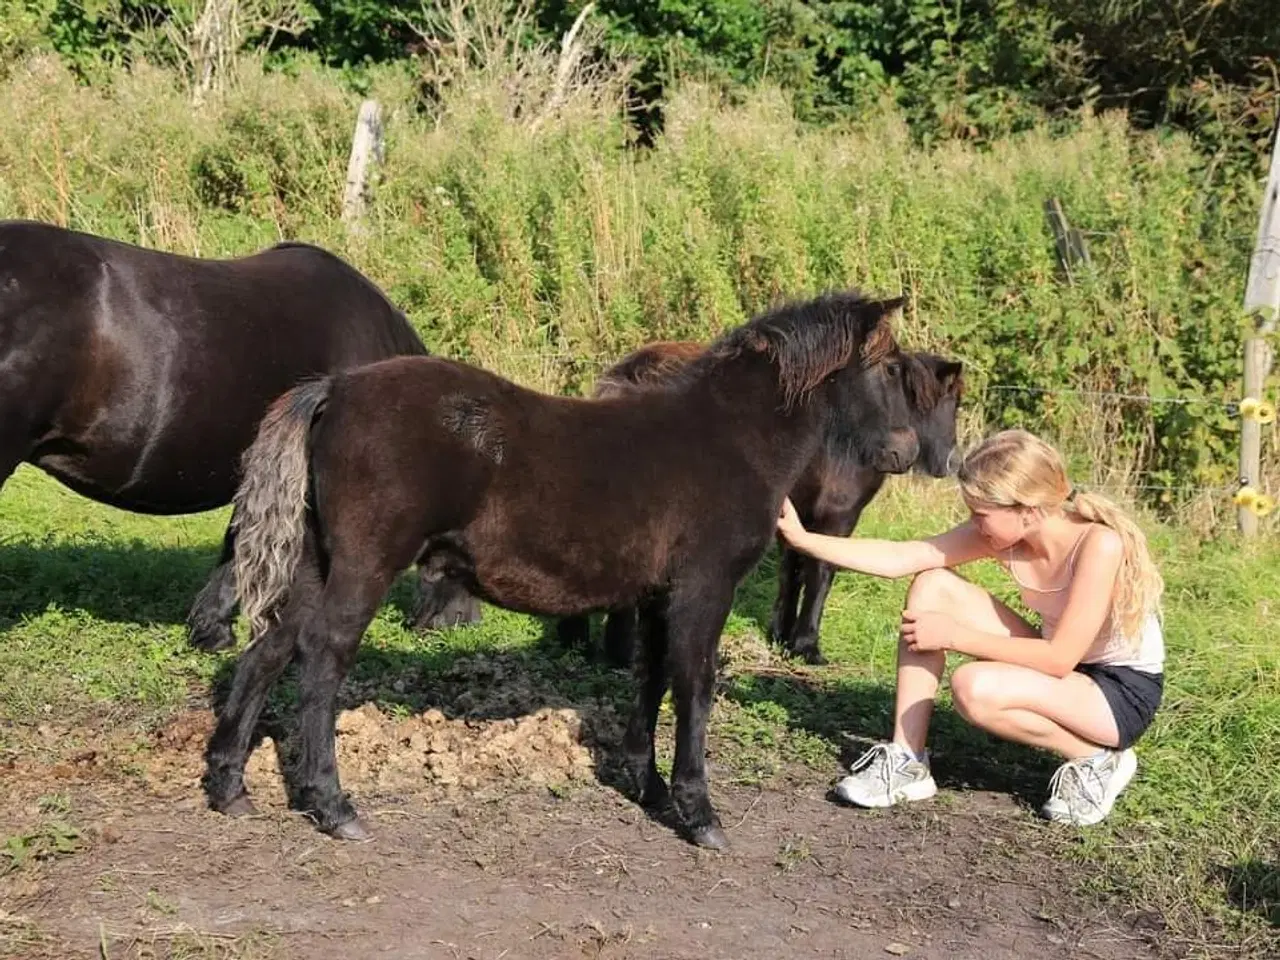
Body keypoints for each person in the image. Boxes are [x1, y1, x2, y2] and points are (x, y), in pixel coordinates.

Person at [774, 428, 1165, 826]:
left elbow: (1060, 658)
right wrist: (803, 539)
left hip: (1117, 691)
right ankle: (907, 760)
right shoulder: (1007, 535)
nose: (974, 524)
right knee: (932, 584)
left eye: (981, 514)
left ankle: (1098, 759)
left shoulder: (1098, 545)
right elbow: (906, 556)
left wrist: (954, 637)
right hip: (1065, 669)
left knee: (973, 687)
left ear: (1027, 510)